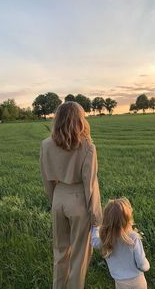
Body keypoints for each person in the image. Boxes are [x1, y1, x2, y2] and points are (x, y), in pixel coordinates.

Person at [40, 102, 102, 289]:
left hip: (58, 197)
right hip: (79, 200)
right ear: (80, 119)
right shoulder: (87, 147)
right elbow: (90, 185)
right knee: (79, 256)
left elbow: (46, 178)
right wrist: (96, 219)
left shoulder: (46, 145)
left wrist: (55, 199)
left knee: (59, 252)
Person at [91, 197, 150, 289]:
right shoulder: (133, 238)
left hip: (120, 282)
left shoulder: (105, 239)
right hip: (137, 281)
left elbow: (94, 241)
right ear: (127, 218)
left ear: (106, 220)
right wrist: (146, 266)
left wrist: (95, 226)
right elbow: (141, 263)